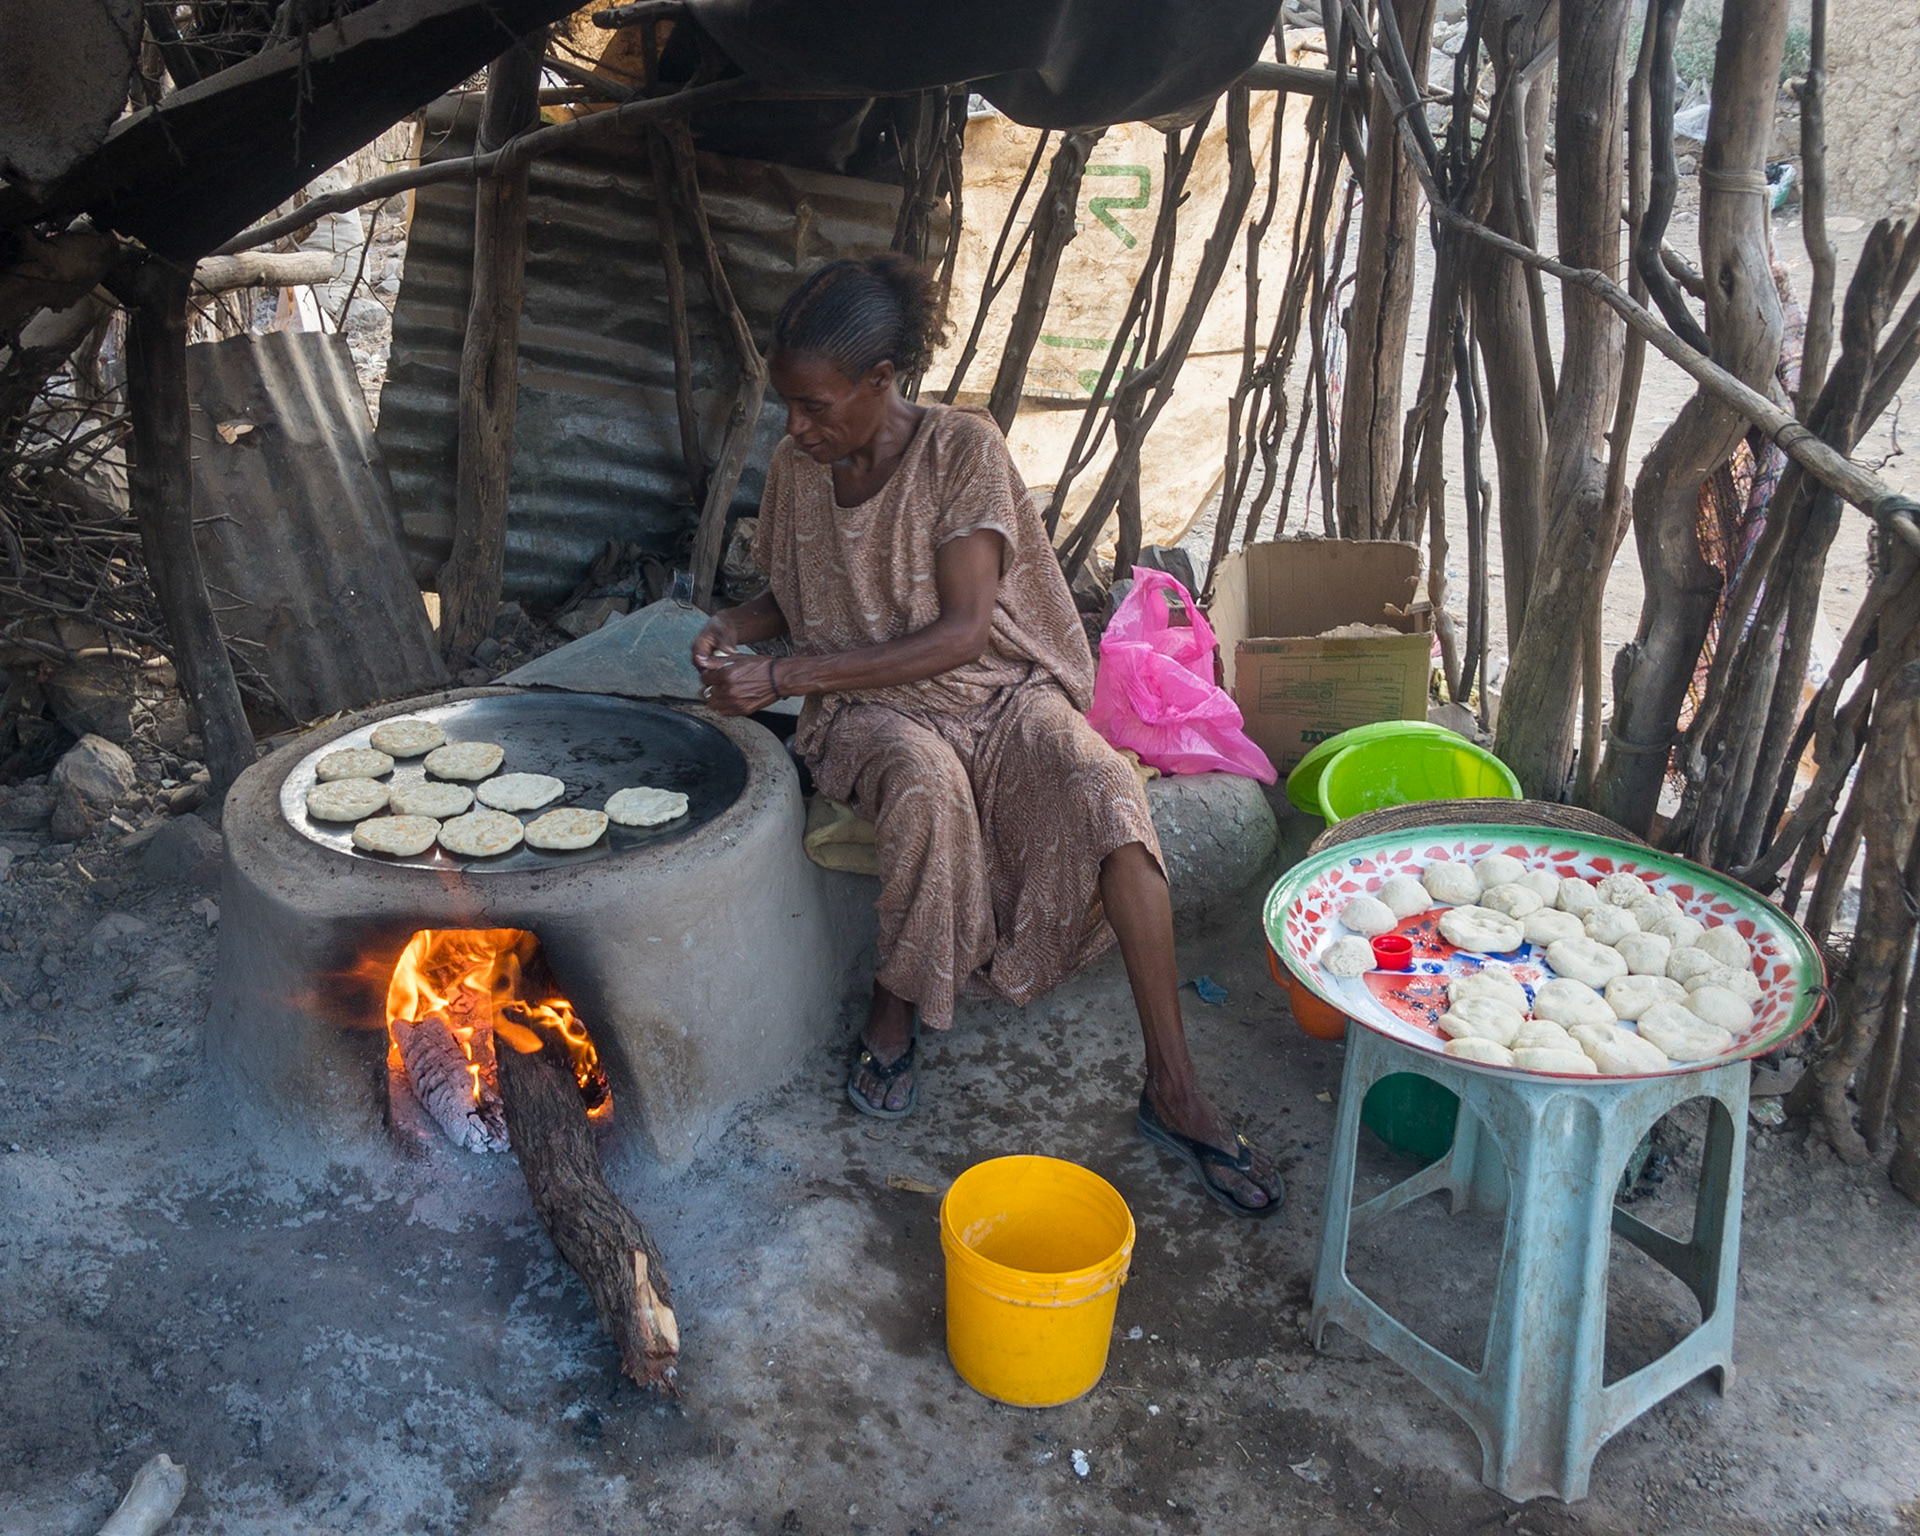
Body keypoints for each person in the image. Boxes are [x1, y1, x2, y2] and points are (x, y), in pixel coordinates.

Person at [691, 254, 1281, 1217]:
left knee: (1107, 794)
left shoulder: (961, 451)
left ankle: (1174, 1086)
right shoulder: (804, 470)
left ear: (881, 381)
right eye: (787, 406)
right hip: (877, 707)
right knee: (925, 788)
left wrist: (785, 675)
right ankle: (896, 1005)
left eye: (813, 404)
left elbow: (965, 631)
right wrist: (736, 630)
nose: (794, 428)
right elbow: (795, 590)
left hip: (997, 690)